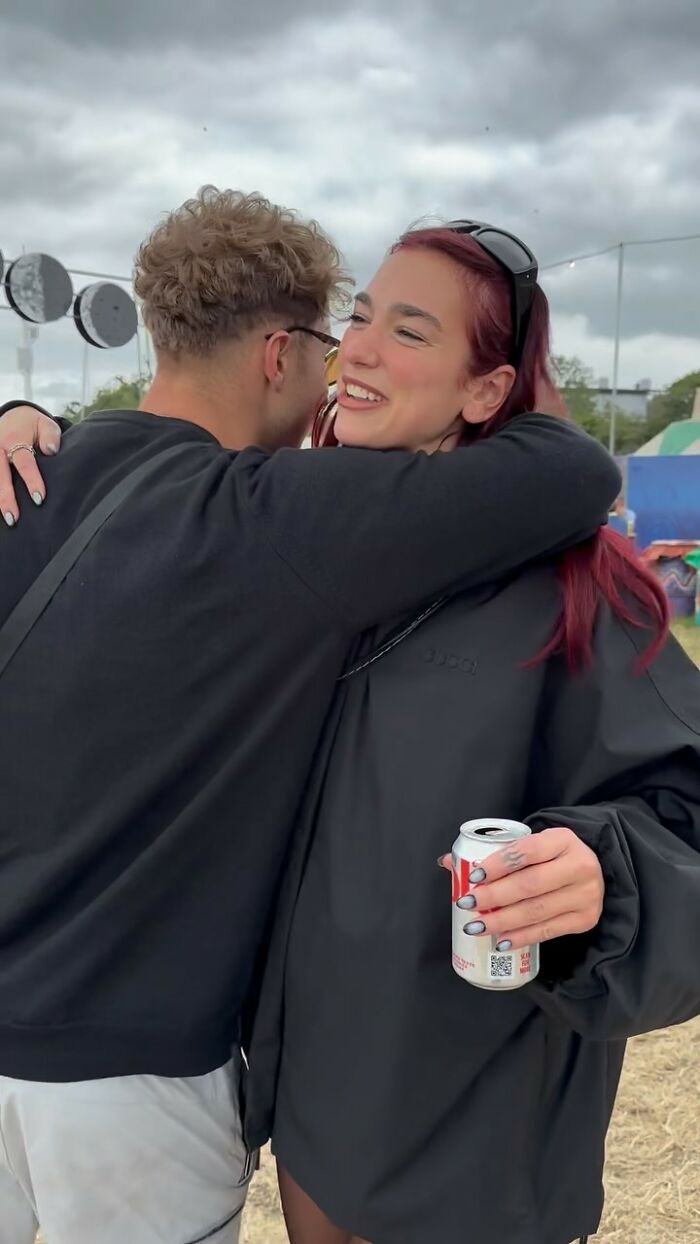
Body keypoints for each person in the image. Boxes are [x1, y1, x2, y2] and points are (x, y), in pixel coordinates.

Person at [0, 194, 618, 1244]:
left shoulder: (31, 476)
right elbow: (573, 468)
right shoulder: (273, 516)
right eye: (342, 337)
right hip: (134, 1070)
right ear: (281, 352)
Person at [237, 223, 700, 1244]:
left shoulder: (580, 588)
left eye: (408, 330)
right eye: (358, 315)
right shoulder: (313, 563)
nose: (356, 347)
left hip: (475, 1156)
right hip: (315, 1126)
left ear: (485, 393)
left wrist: (605, 878)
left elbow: (684, 824)